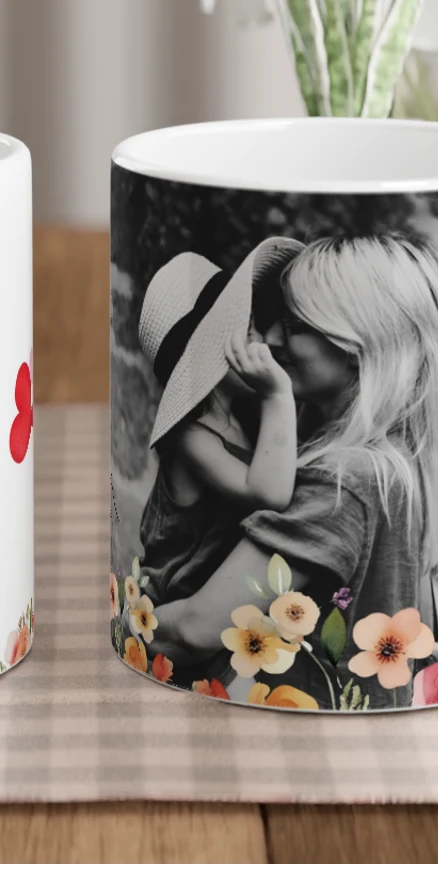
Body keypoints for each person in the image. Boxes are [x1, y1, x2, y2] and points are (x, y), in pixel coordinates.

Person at [150, 234, 438, 705]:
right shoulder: (396, 462)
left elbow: (196, 630)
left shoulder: (343, 482)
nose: (273, 339)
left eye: (294, 324)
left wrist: (124, 624)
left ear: (355, 344)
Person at [134, 238, 302, 605]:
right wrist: (277, 395)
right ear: (208, 354)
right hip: (175, 604)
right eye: (248, 331)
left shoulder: (243, 417)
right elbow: (270, 495)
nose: (265, 341)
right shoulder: (192, 438)